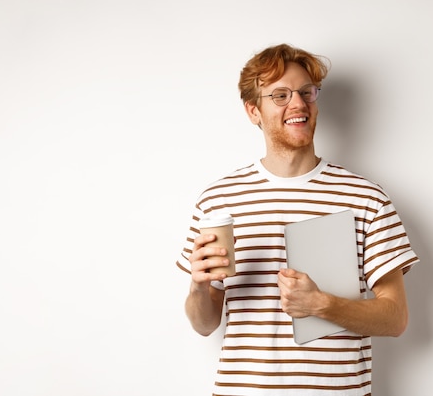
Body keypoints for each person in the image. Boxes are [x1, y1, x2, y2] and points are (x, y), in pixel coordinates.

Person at [177, 43, 419, 396]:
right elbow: (204, 325)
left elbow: (396, 318)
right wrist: (199, 287)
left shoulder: (366, 198)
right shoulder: (218, 200)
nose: (298, 104)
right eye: (280, 95)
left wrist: (322, 304)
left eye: (307, 92)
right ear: (252, 110)